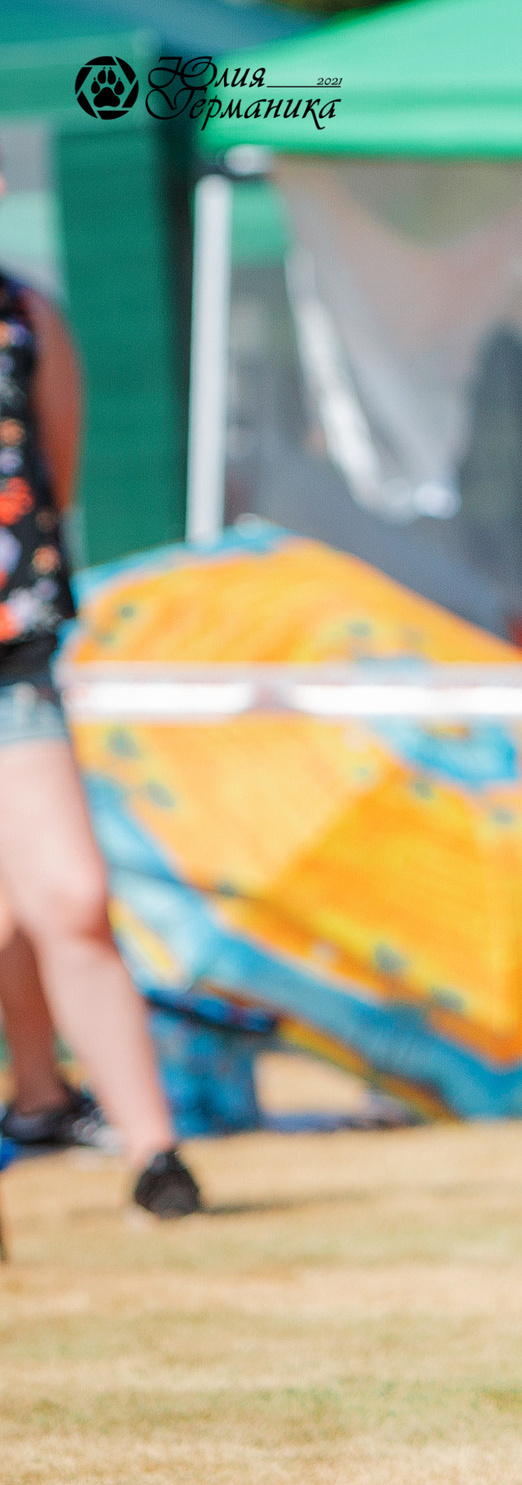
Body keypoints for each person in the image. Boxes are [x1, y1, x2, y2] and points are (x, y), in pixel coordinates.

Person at [0, 165, 199, 1218]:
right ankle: (37, 1095)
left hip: (14, 652)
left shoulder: (27, 316)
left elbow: (54, 485)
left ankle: (148, 1148)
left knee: (68, 895)